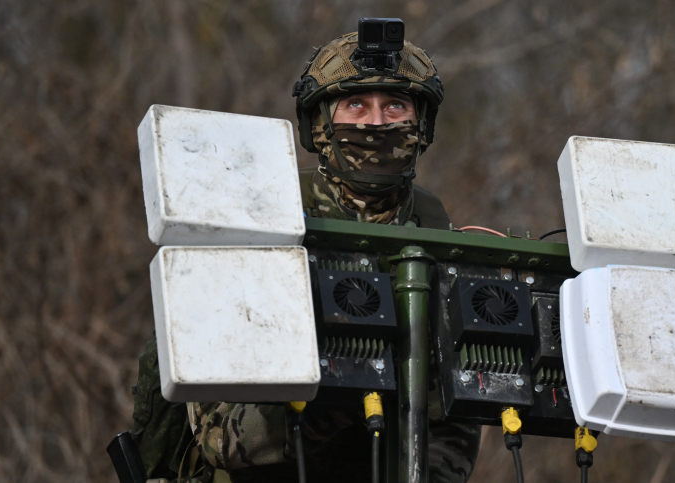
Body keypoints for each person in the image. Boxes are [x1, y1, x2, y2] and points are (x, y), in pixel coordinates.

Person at [181, 32, 482, 483]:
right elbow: (218, 436)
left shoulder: (435, 233)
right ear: (318, 125)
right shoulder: (263, 214)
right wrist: (341, 394)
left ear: (422, 124)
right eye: (355, 104)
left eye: (396, 105)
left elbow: (455, 422)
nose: (377, 122)